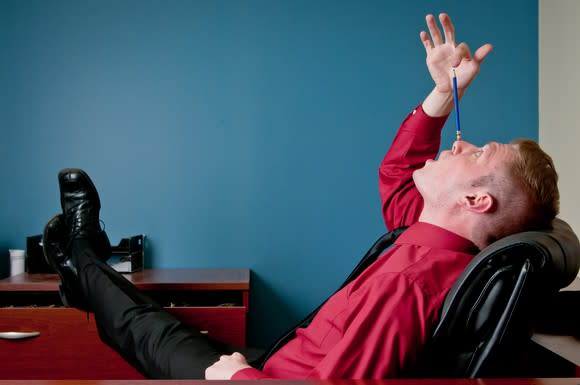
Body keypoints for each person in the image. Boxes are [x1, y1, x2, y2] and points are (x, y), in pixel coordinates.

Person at [42, 13, 559, 380]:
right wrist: (444, 95)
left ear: (476, 201)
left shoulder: (409, 285)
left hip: (268, 377)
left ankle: (82, 253)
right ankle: (82, 267)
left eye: (475, 154)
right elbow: (400, 170)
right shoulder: (438, 238)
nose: (460, 143)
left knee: (138, 325)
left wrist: (236, 378)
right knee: (156, 320)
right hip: (285, 356)